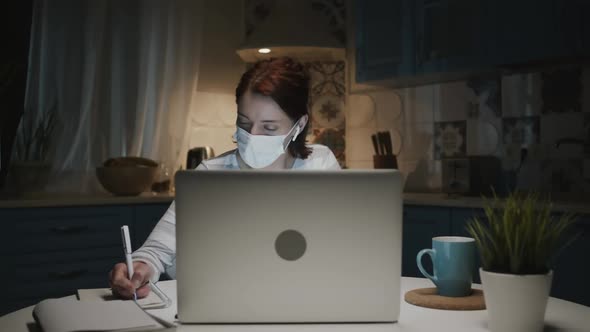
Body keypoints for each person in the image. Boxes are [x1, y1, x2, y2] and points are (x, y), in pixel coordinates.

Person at [109, 57, 341, 299]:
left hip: (307, 299)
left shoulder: (320, 164)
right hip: (227, 304)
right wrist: (138, 268)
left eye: (269, 128)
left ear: (299, 124)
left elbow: (345, 244)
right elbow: (156, 251)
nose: (252, 135)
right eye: (244, 123)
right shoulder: (210, 176)